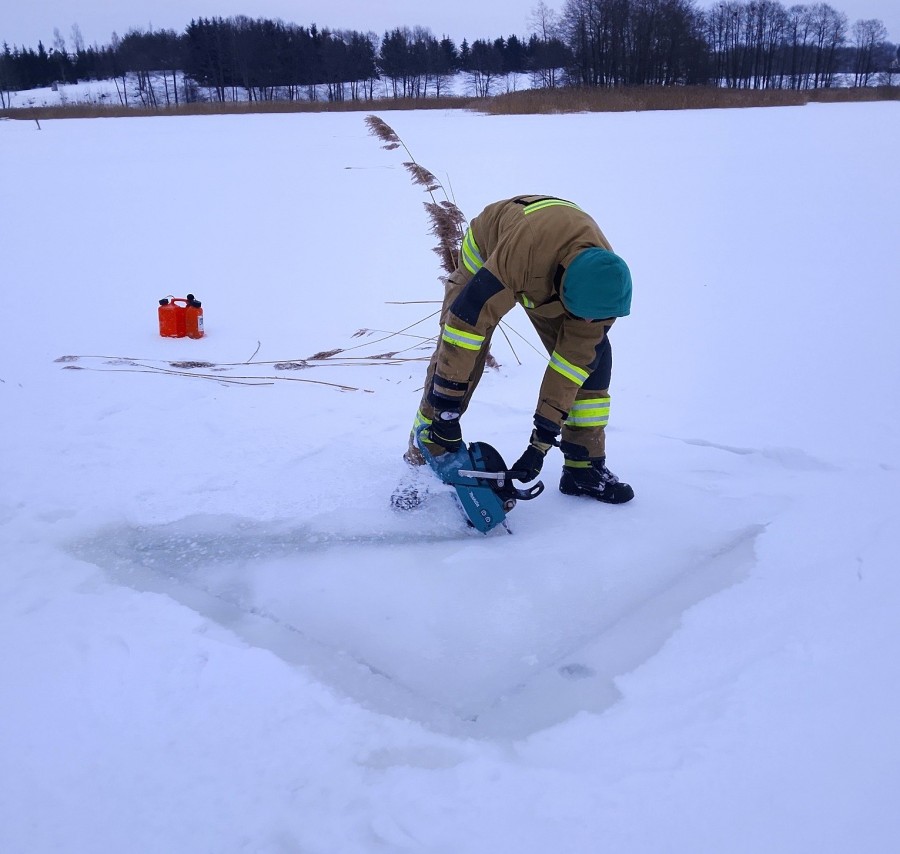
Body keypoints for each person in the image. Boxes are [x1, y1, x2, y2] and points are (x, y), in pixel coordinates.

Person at [406, 194, 634, 504]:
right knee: (463, 355)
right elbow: (464, 327)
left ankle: (584, 467)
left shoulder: (603, 287)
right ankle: (424, 456)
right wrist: (446, 410)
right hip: (494, 252)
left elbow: (570, 367)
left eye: (597, 315)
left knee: (591, 364)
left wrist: (540, 442)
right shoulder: (523, 255)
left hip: (553, 276)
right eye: (585, 314)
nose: (592, 320)